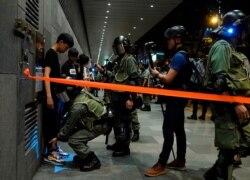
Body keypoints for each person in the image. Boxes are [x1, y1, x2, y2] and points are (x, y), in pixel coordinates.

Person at [203, 10, 250, 179]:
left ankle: (218, 170)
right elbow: (219, 82)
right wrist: (236, 103)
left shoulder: (233, 49)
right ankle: (220, 172)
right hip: (228, 107)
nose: (246, 33)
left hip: (237, 106)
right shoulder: (222, 46)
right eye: (244, 29)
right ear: (236, 29)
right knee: (230, 146)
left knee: (238, 144)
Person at [145, 25, 192, 177]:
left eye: (169, 39)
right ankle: (180, 161)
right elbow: (175, 80)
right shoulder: (184, 55)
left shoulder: (179, 56)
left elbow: (169, 78)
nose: (167, 42)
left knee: (168, 131)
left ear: (177, 39)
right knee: (179, 130)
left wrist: (157, 74)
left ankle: (162, 164)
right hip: (180, 98)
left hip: (176, 100)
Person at [57, 88, 112, 171]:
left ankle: (92, 160)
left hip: (101, 124)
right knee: (75, 133)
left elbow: (69, 125)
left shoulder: (77, 107)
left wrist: (58, 136)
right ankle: (83, 156)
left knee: (73, 140)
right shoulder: (82, 94)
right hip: (100, 120)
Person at [106, 35, 142, 157]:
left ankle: (124, 147)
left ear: (122, 47)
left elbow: (135, 79)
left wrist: (131, 98)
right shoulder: (121, 59)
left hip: (124, 97)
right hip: (117, 96)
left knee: (125, 123)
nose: (116, 49)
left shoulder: (129, 59)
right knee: (117, 122)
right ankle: (119, 143)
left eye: (117, 47)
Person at [43, 33, 74, 165]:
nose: (65, 50)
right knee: (50, 124)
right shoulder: (50, 54)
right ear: (60, 42)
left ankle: (54, 148)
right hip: (51, 96)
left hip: (56, 96)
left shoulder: (54, 54)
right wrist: (49, 96)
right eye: (65, 47)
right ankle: (50, 154)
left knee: (55, 123)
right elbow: (46, 75)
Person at [60, 47, 80, 127]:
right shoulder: (66, 65)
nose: (75, 58)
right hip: (67, 92)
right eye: (74, 56)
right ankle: (64, 128)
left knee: (71, 111)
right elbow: (63, 77)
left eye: (76, 56)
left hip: (74, 92)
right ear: (70, 56)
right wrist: (68, 78)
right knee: (67, 111)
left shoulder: (74, 65)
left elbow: (75, 76)